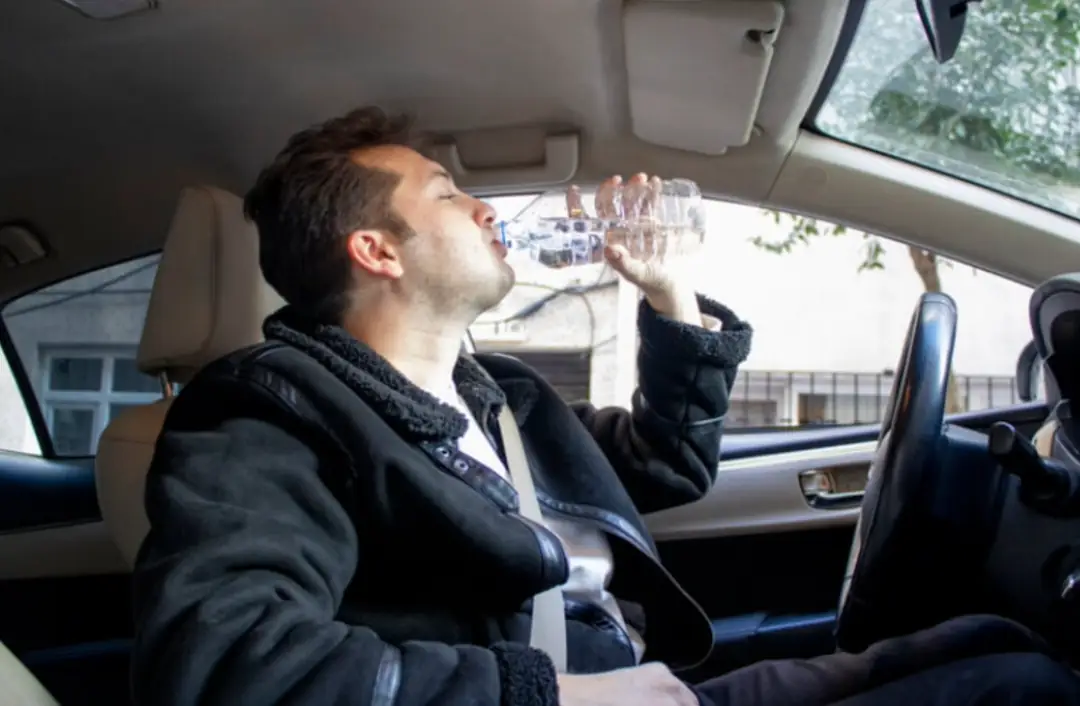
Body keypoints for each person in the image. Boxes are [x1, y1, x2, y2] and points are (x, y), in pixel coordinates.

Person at [130, 107, 1080, 706]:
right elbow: (224, 664)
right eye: (451, 195)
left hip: (639, 684)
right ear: (376, 251)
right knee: (1020, 686)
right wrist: (550, 695)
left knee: (993, 638)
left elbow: (670, 465)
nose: (487, 210)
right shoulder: (268, 413)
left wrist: (668, 291)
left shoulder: (495, 396)